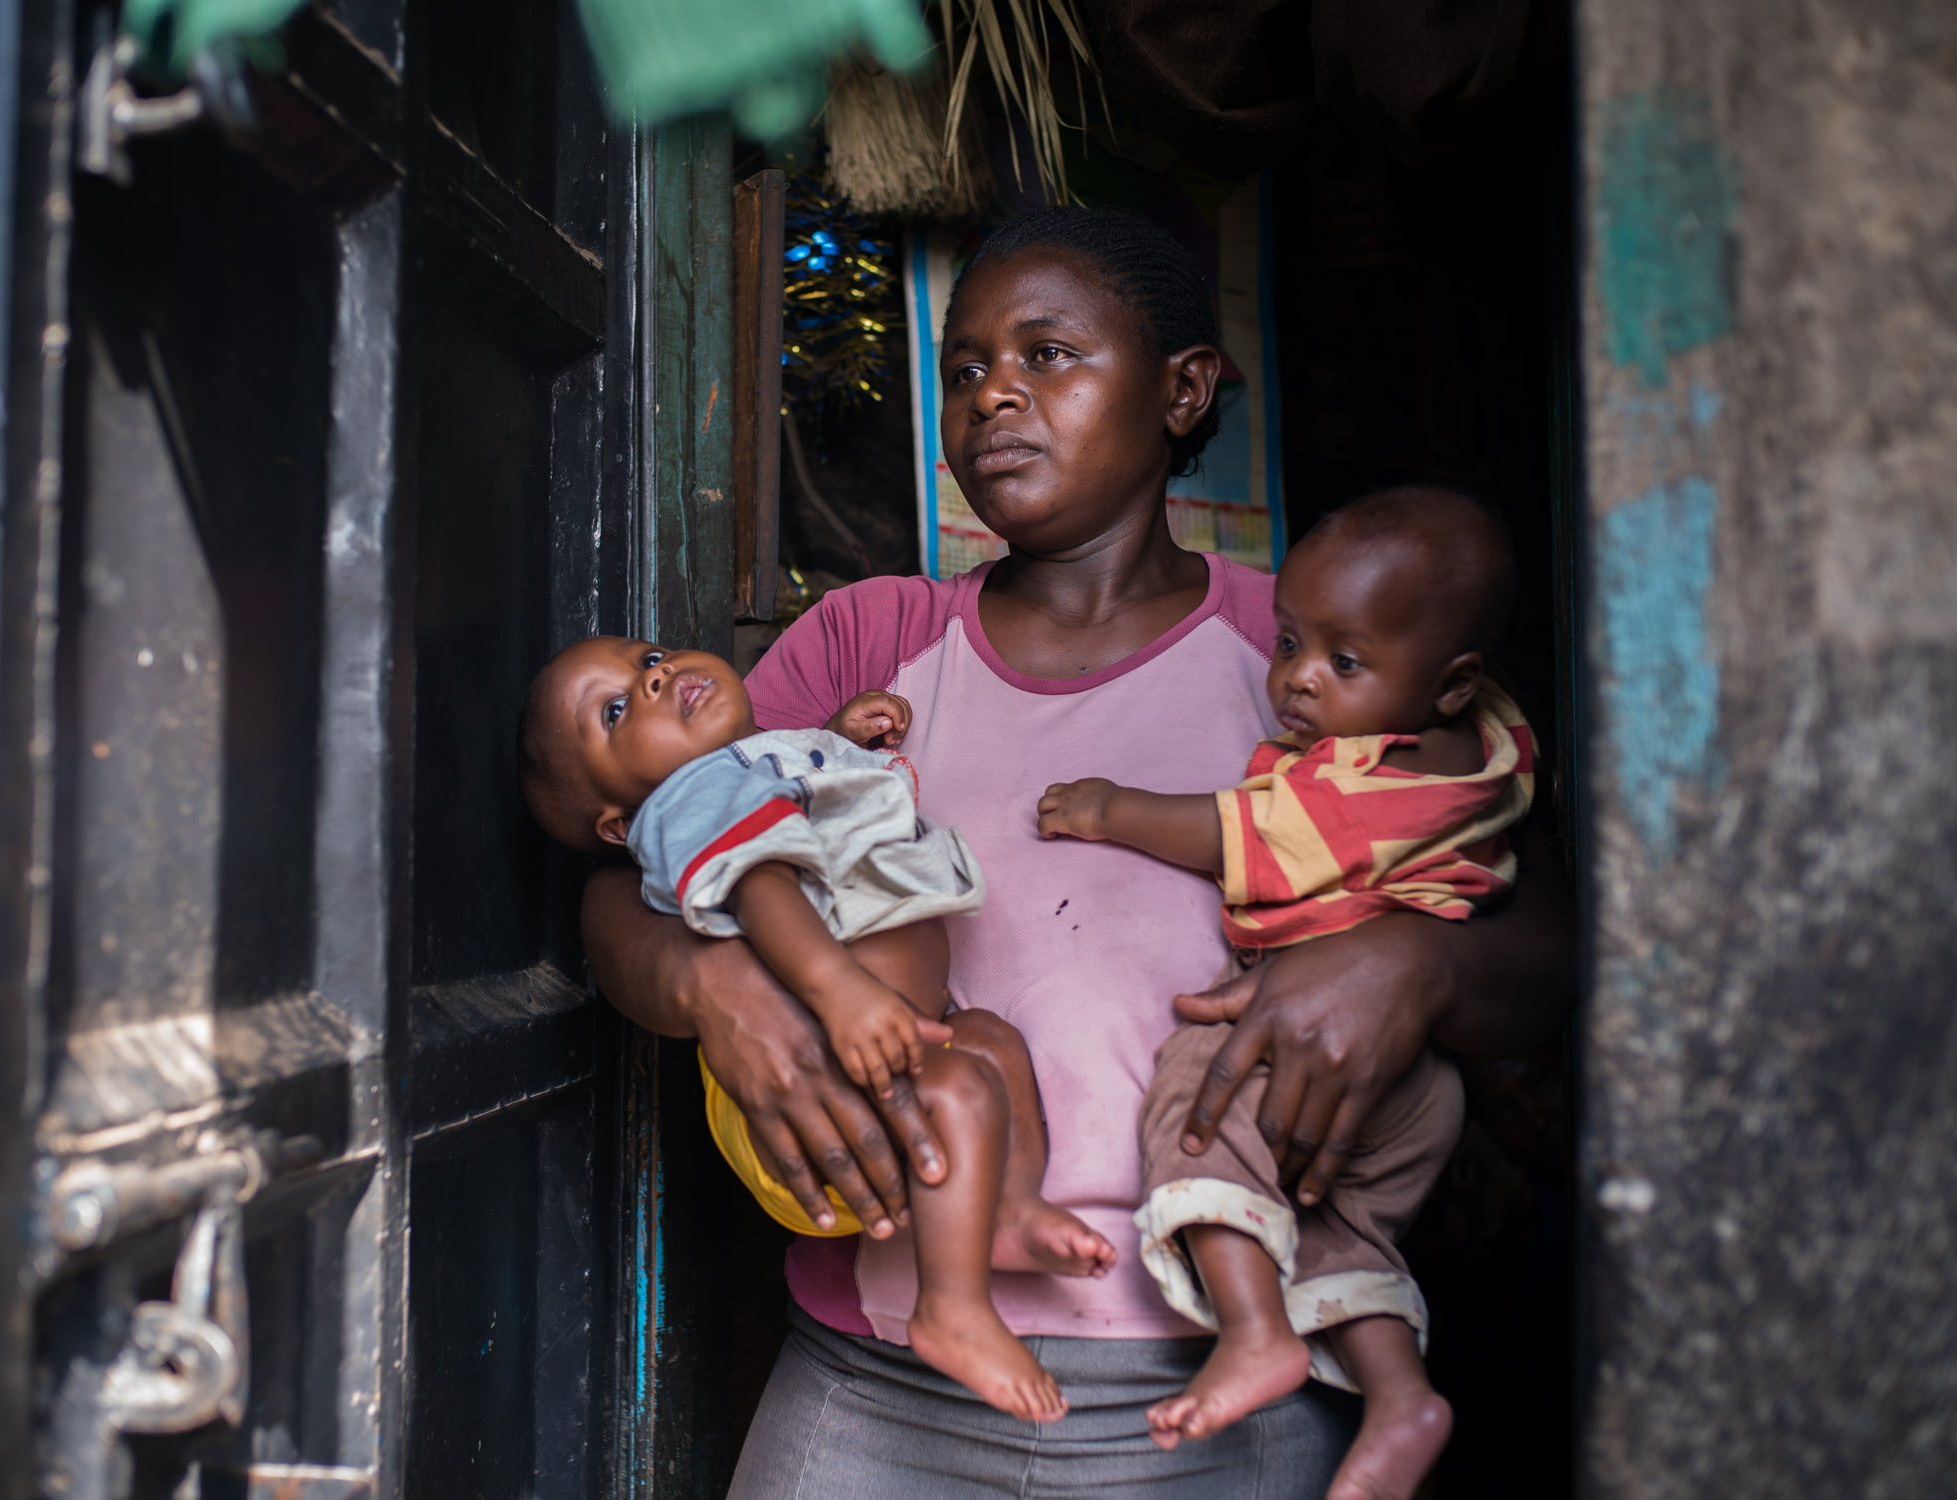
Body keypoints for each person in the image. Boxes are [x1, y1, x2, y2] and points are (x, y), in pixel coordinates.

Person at [581, 206, 1571, 1497]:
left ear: (1181, 390)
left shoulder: (1316, 656)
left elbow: (1547, 950)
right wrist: (714, 992)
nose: (994, 389)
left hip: (1229, 1376)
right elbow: (624, 893)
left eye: (1048, 354)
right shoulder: (869, 642)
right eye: (965, 365)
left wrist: (1409, 969)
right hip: (872, 1375)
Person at [1037, 485, 1534, 1499]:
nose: (1297, 682)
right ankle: (1401, 1397)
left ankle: (1255, 1334)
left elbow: (1245, 840)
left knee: (1193, 1104)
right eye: (1288, 643)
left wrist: (1107, 808)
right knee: (1330, 1226)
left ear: (1450, 683)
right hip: (1411, 1086)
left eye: (1341, 662)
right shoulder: (1489, 751)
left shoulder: (1371, 788)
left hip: (1308, 1044)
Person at [518, 639, 1116, 1421]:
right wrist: (838, 992)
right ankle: (953, 1308)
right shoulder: (689, 799)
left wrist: (835, 739)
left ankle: (1005, 1210)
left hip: (888, 1033)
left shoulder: (739, 775)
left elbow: (794, 805)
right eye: (618, 709)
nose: (654, 675)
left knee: (992, 1044)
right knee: (967, 1086)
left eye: (647, 657)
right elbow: (763, 879)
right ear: (618, 823)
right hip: (831, 1060)